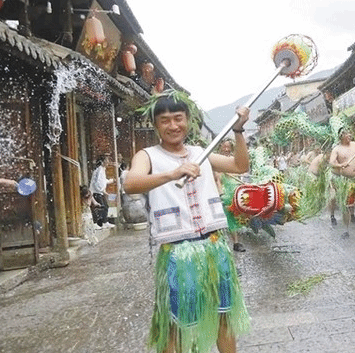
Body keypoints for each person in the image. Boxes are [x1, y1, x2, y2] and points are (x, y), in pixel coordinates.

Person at [123, 93, 251, 353]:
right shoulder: (147, 155)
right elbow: (130, 183)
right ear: (156, 124)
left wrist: (238, 131)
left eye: (178, 119)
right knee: (176, 324)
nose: (173, 126)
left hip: (214, 246)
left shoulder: (200, 153)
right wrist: (172, 173)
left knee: (223, 315)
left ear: (188, 121)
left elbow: (239, 165)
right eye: (165, 120)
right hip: (177, 252)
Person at [329, 128, 355, 237]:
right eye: (347, 133)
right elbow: (331, 163)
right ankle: (346, 230)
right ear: (341, 136)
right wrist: (340, 165)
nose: (350, 135)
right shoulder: (337, 149)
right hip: (345, 181)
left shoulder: (354, 144)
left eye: (350, 133)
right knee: (346, 205)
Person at [214, 138, 245, 252]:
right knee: (228, 218)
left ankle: (235, 242)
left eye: (229, 147)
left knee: (236, 218)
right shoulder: (216, 161)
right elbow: (218, 180)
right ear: (221, 146)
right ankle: (233, 243)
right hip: (224, 194)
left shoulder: (233, 160)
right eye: (224, 146)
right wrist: (221, 194)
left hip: (235, 192)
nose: (226, 149)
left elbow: (239, 174)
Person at [89, 155, 115, 229]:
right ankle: (97, 223)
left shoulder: (102, 169)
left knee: (105, 206)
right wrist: (103, 191)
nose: (108, 162)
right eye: (106, 160)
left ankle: (104, 222)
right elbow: (98, 183)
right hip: (96, 192)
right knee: (99, 207)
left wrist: (110, 181)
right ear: (102, 162)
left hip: (99, 191)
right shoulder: (99, 169)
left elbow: (102, 181)